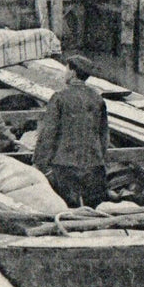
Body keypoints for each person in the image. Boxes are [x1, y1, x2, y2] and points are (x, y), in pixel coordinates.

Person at [32, 55, 110, 208]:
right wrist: (101, 160)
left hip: (65, 166)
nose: (64, 73)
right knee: (94, 213)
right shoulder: (98, 99)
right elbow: (103, 135)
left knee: (65, 211)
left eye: (66, 69)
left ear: (73, 73)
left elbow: (48, 134)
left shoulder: (59, 98)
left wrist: (39, 162)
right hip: (94, 167)